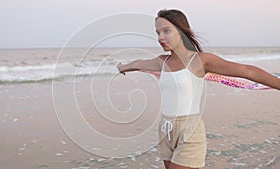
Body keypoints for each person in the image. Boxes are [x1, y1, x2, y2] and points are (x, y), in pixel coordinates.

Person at [116, 9, 280, 169]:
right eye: (157, 32)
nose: (160, 37)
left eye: (166, 31)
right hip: (165, 130)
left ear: (181, 31)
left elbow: (246, 70)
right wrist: (122, 68)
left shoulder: (201, 60)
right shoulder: (161, 61)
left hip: (190, 131)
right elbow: (139, 63)